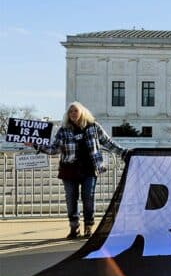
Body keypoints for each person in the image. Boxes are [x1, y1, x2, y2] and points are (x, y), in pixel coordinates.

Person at [28, 102, 130, 239]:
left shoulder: (93, 127)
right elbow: (54, 149)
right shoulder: (63, 130)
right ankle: (74, 228)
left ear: (82, 112)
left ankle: (88, 227)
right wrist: (35, 145)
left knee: (88, 198)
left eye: (75, 111)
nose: (73, 114)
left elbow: (108, 142)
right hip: (69, 169)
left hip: (90, 169)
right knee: (71, 199)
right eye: (70, 112)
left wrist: (124, 152)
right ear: (67, 115)